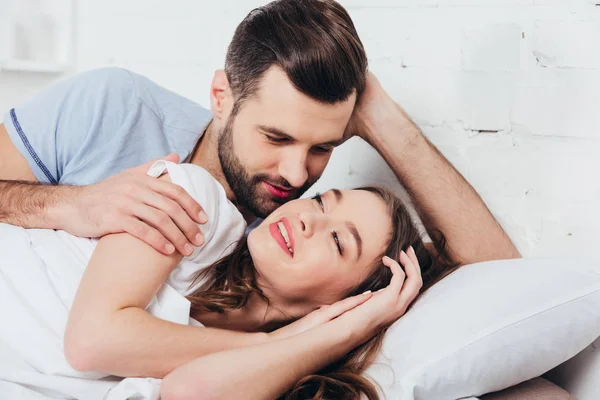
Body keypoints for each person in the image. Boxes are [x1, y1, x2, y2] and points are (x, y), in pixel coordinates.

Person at [1, 159, 444, 400]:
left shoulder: (271, 370)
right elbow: (92, 342)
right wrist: (273, 342)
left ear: (340, 303)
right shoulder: (195, 205)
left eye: (338, 241)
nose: (308, 219)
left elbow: (187, 392)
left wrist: (331, 337)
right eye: (323, 202)